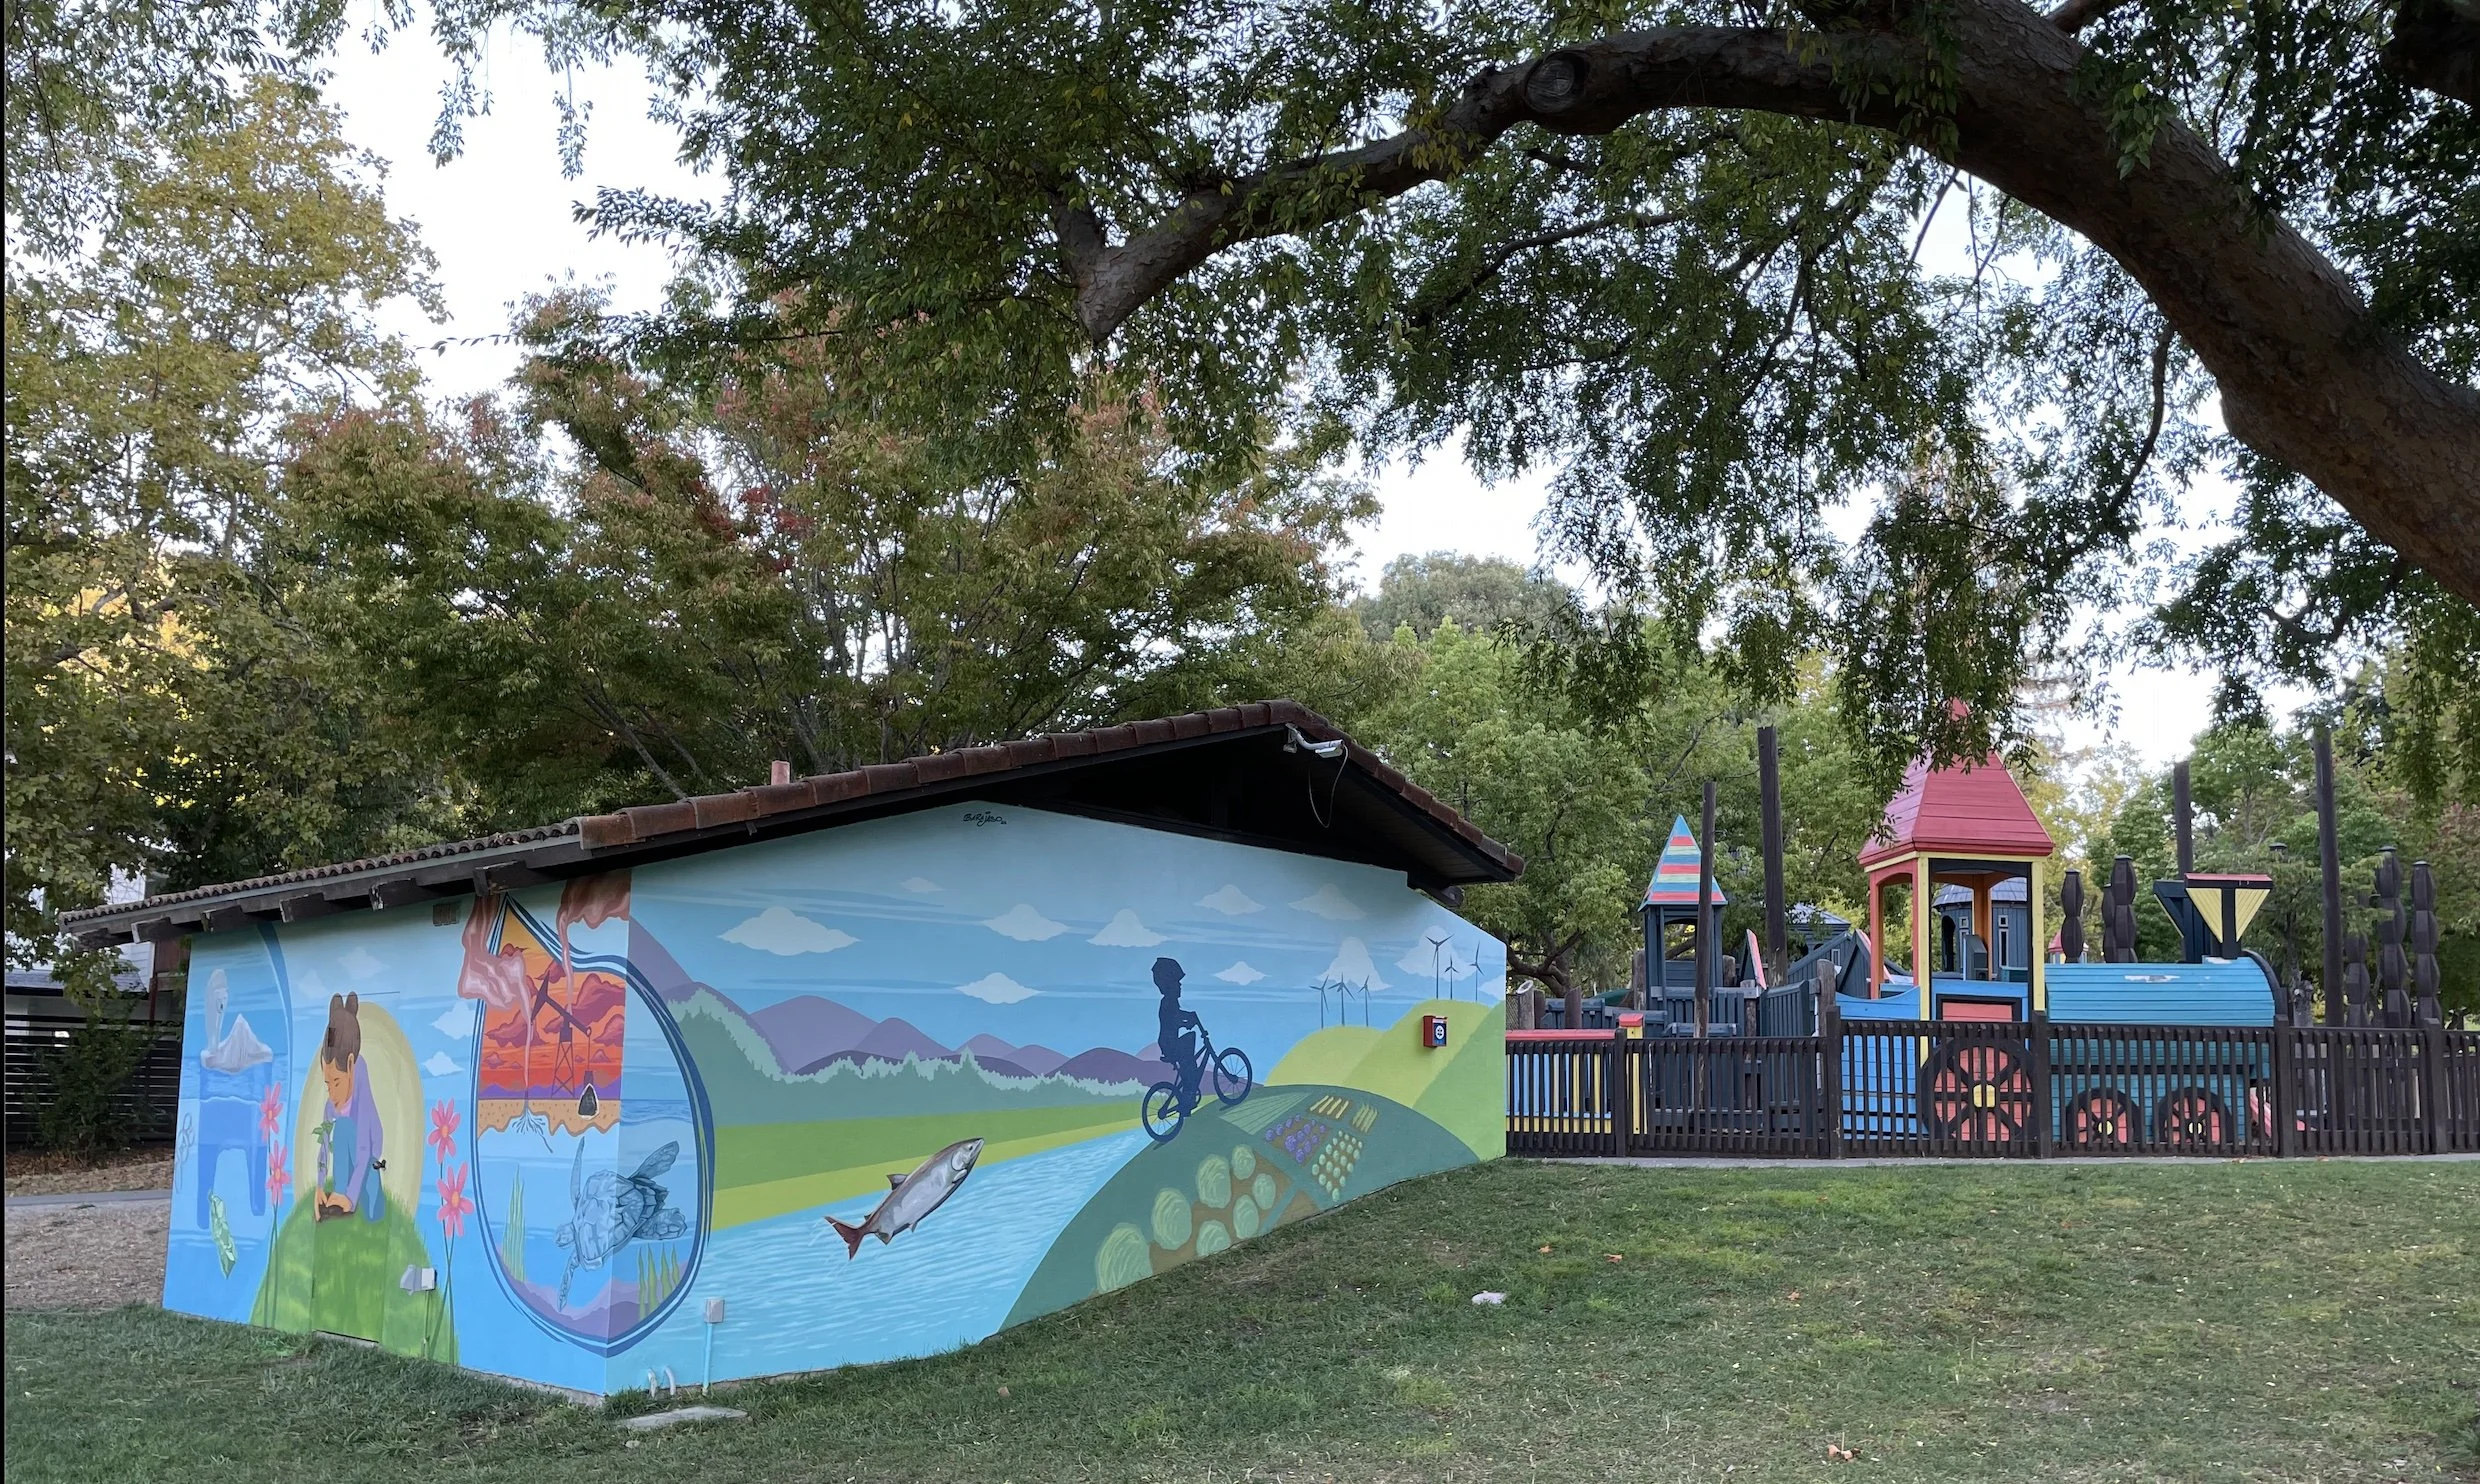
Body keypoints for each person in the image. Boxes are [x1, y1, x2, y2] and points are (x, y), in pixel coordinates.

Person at [315, 993, 387, 1223]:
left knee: (374, 1213)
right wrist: (319, 1186)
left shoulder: (361, 1095)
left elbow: (364, 1149)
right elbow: (324, 1144)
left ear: (350, 1066)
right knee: (342, 1128)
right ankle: (340, 1191)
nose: (332, 1093)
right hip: (348, 1161)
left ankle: (359, 1197)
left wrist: (350, 1198)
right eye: (327, 1084)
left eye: (336, 1083)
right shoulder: (331, 1105)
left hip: (369, 1160)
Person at [1153, 957, 1203, 1113]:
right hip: (1169, 1043)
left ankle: (1187, 1097)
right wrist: (1188, 1020)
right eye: (1177, 983)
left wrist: (1187, 1019)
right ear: (1171, 985)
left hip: (1168, 1043)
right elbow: (1174, 1019)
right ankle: (1188, 1094)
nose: (1180, 986)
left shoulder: (1170, 1001)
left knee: (1189, 1065)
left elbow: (1176, 1017)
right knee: (1190, 1044)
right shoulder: (1168, 1002)